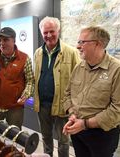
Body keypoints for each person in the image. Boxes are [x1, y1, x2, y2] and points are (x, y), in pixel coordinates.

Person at [62, 26, 120, 157]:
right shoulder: (79, 67)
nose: (78, 46)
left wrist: (85, 124)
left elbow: (119, 109)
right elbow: (67, 94)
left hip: (102, 135)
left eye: (82, 42)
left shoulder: (119, 70)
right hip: (77, 130)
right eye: (79, 42)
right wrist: (72, 114)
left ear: (98, 44)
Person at [33, 16, 81, 157]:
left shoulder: (71, 52)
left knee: (63, 141)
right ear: (42, 33)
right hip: (42, 105)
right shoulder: (38, 53)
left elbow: (78, 82)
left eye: (52, 31)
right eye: (45, 32)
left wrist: (74, 107)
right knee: (46, 138)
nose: (48, 35)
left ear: (58, 31)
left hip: (62, 106)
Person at [0, 27, 34, 129]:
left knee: (14, 136)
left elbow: (30, 81)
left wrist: (25, 95)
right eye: (0, 40)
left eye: (5, 40)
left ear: (14, 41)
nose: (1, 43)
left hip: (15, 107)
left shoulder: (25, 58)